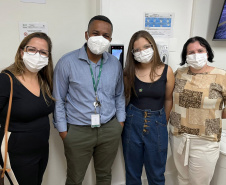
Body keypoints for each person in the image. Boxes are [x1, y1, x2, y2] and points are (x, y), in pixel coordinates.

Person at [53, 15, 125, 185]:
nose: (100, 38)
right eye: (95, 33)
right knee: (75, 179)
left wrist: (119, 123)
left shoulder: (115, 64)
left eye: (105, 36)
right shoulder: (67, 62)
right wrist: (64, 132)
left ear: (110, 39)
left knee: (105, 176)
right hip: (78, 131)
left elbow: (119, 95)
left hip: (109, 129)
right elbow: (58, 99)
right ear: (86, 35)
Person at [169, 36, 226, 185]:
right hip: (178, 135)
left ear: (207, 52)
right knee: (182, 178)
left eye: (200, 50)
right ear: (185, 56)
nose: (196, 55)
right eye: (191, 52)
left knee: (199, 182)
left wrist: (217, 114)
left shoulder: (221, 76)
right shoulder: (179, 73)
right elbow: (169, 98)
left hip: (205, 140)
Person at [0, 32, 55, 185]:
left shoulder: (44, 80)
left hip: (42, 150)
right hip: (17, 153)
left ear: (48, 58)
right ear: (22, 51)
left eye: (43, 52)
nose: (37, 55)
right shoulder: (6, 80)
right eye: (32, 49)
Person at [122, 30, 175, 185]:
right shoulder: (128, 73)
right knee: (132, 173)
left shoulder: (167, 71)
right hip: (133, 122)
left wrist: (162, 121)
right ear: (132, 53)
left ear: (153, 46)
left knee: (157, 174)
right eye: (137, 50)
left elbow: (168, 99)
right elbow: (124, 98)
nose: (142, 52)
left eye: (146, 47)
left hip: (157, 123)